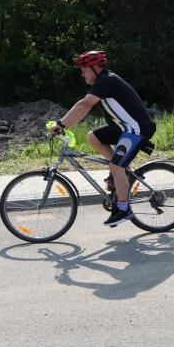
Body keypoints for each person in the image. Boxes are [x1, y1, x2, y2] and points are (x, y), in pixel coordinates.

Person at [50, 50, 156, 227]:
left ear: (96, 67)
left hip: (137, 130)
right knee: (92, 138)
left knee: (116, 166)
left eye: (84, 69)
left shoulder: (107, 80)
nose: (82, 74)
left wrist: (61, 125)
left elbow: (84, 105)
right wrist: (64, 125)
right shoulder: (103, 81)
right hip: (125, 128)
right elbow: (84, 106)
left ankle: (123, 208)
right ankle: (119, 172)